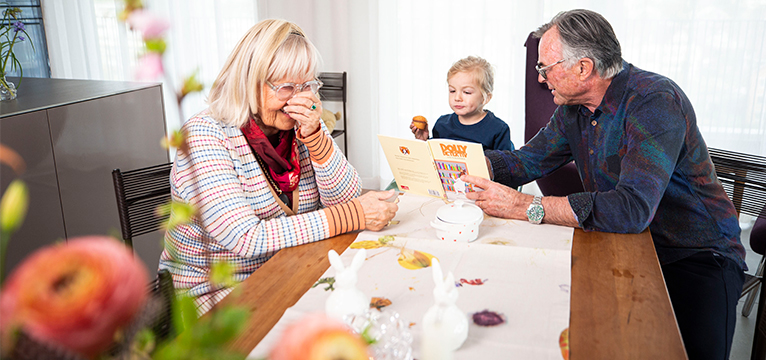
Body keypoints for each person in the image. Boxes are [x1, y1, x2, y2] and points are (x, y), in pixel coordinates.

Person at [462, 10, 745, 360]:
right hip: (621, 243)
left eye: (544, 68)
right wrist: (467, 165)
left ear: (583, 68)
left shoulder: (654, 101)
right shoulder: (572, 109)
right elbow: (527, 160)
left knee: (677, 352)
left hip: (696, 253)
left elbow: (631, 209)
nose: (540, 80)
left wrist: (526, 207)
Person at [158, 19, 398, 314]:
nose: (298, 99)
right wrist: (353, 214)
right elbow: (245, 237)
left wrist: (316, 138)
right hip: (216, 293)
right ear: (248, 83)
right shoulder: (204, 135)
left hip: (290, 269)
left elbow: (345, 198)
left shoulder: (301, 124)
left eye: (307, 85)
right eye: (286, 87)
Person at [410, 56, 514, 151]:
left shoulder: (498, 129)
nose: (457, 98)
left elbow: (507, 166)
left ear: (485, 98)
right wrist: (423, 141)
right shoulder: (442, 125)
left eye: (466, 92)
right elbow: (434, 158)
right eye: (452, 91)